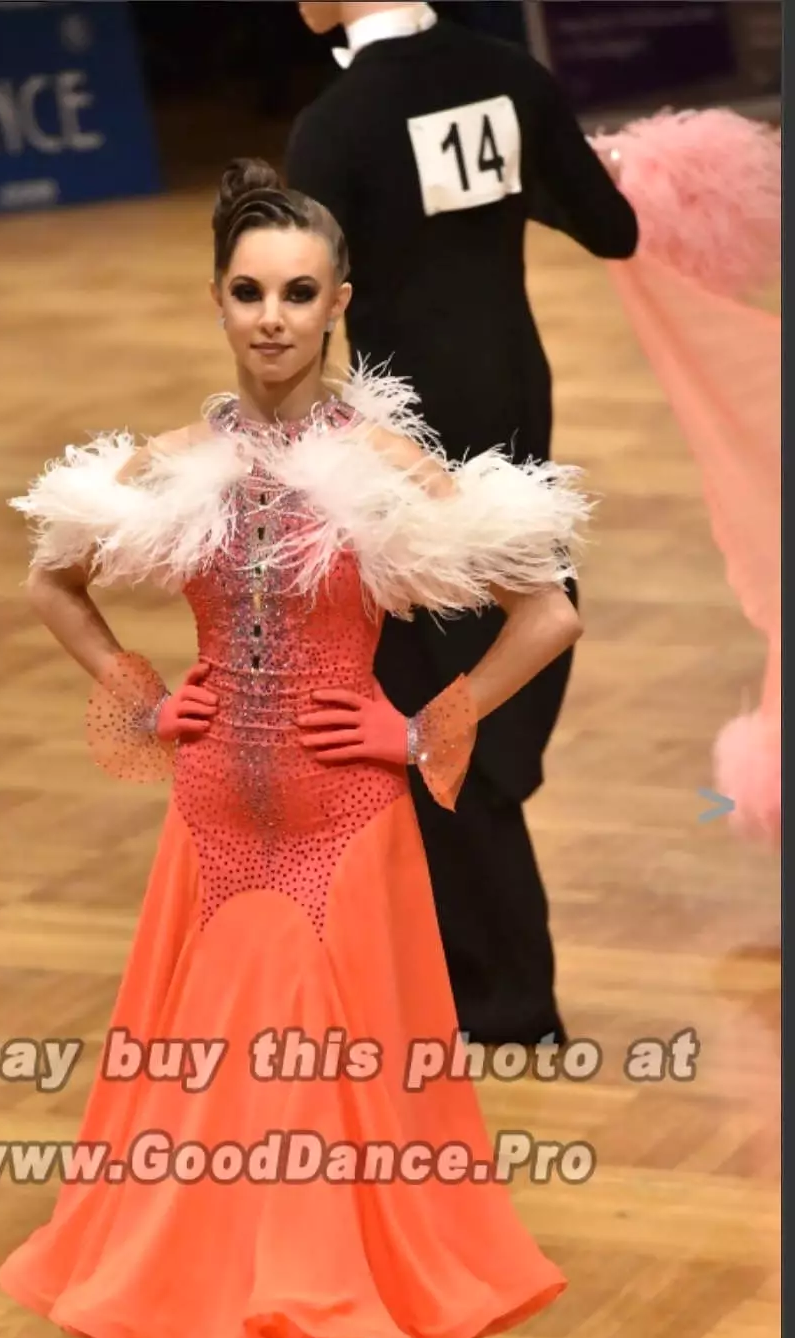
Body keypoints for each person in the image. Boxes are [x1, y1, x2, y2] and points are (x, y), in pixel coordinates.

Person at [0, 157, 588, 1338]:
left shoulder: (385, 464)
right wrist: (144, 698)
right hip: (210, 831)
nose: (272, 317)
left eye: (298, 294)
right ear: (219, 301)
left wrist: (420, 722)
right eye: (248, 292)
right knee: (264, 1126)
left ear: (339, 305)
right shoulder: (174, 460)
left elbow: (547, 613)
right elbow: (50, 575)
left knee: (278, 1121)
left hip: (340, 834)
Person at [286, 0, 638, 1046]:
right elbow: (611, 227)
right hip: (520, 418)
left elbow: (297, 309)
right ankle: (471, 981)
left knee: (433, 712)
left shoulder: (337, 122)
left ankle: (500, 1000)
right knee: (481, 682)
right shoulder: (509, 77)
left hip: (411, 449)